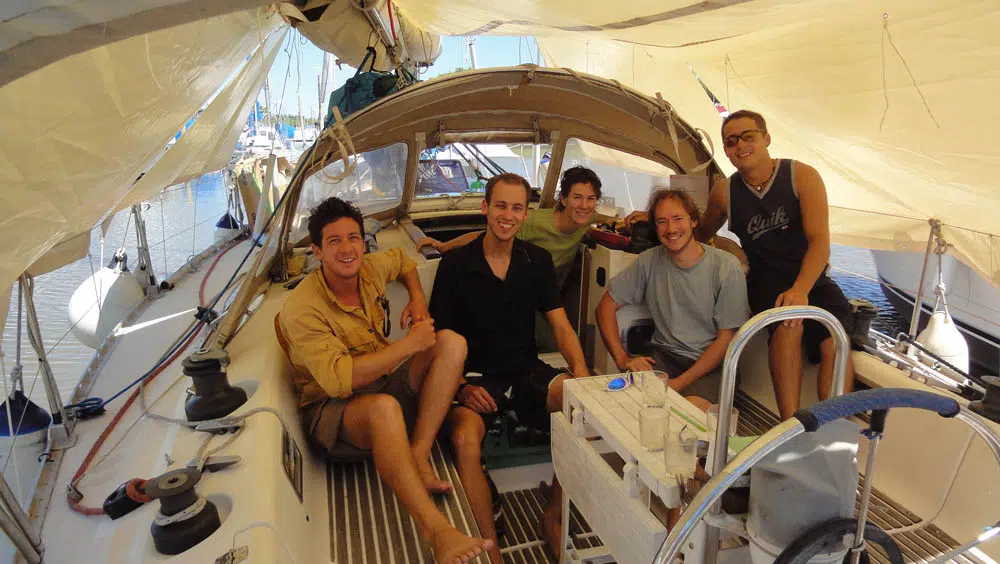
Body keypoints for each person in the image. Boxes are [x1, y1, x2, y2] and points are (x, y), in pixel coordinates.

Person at [278, 197, 493, 564]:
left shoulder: (368, 269)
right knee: (384, 408)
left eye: (354, 238)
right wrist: (409, 344)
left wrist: (418, 299)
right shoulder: (303, 308)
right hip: (332, 412)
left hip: (380, 385)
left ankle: (418, 454)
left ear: (363, 242)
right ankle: (436, 532)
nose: (347, 249)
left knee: (452, 343)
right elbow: (340, 381)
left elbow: (403, 261)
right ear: (317, 251)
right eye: (334, 241)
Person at [428, 173, 590, 563]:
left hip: (523, 369)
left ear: (525, 214)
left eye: (517, 208)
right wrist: (460, 388)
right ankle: (492, 550)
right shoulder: (455, 265)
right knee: (465, 440)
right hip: (473, 378)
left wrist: (582, 377)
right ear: (485, 208)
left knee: (581, 407)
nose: (508, 215)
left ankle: (553, 515)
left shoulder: (537, 260)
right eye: (500, 205)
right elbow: (439, 340)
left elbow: (560, 325)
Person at [697, 109, 855, 419]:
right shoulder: (724, 193)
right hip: (765, 281)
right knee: (788, 325)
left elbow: (820, 242)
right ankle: (790, 426)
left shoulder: (802, 177)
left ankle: (832, 427)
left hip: (812, 278)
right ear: (726, 150)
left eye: (748, 136)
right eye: (731, 141)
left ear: (766, 138)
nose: (740, 145)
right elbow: (701, 233)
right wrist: (656, 222)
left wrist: (801, 289)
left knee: (835, 341)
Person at [596, 189, 750, 404]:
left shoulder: (726, 267)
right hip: (663, 358)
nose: (671, 229)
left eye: (678, 219)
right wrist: (622, 359)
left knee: (687, 415)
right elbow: (605, 306)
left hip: (712, 367)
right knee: (624, 407)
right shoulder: (648, 261)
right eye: (662, 222)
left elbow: (728, 338)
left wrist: (677, 384)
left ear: (694, 221)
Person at [418, 165, 601, 287]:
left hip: (552, 287)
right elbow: (484, 237)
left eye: (591, 198)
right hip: (523, 286)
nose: (584, 205)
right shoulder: (534, 222)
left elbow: (607, 220)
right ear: (563, 199)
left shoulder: (587, 218)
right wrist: (444, 246)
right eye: (577, 197)